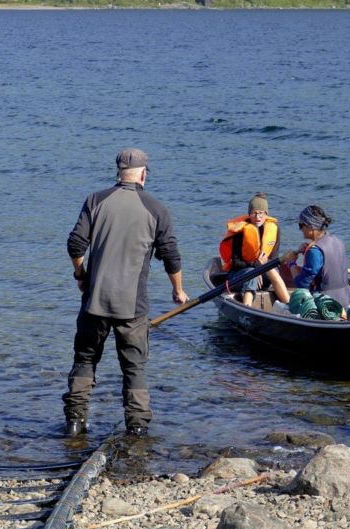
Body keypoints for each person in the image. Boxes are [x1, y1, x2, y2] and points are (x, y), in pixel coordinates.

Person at [63, 148, 189, 437]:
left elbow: (75, 244)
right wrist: (178, 291)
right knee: (134, 367)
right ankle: (137, 428)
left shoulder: (96, 200)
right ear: (144, 174)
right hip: (132, 307)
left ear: (118, 172)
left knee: (84, 360)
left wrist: (81, 276)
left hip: (94, 300)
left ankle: (74, 422)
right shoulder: (156, 209)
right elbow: (171, 255)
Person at [218, 192, 290, 306]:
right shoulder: (240, 231)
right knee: (251, 274)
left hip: (263, 277)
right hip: (238, 275)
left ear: (266, 214)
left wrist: (262, 268)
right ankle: (247, 307)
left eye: (261, 213)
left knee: (273, 270)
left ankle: (288, 305)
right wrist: (256, 267)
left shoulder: (274, 229)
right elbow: (236, 263)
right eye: (254, 213)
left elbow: (274, 259)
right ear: (249, 214)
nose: (257, 217)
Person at [284, 205, 350, 309]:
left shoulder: (315, 251)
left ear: (311, 226)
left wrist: (292, 263)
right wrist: (307, 252)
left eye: (301, 225)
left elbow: (302, 285)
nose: (300, 229)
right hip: (347, 299)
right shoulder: (338, 241)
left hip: (327, 305)